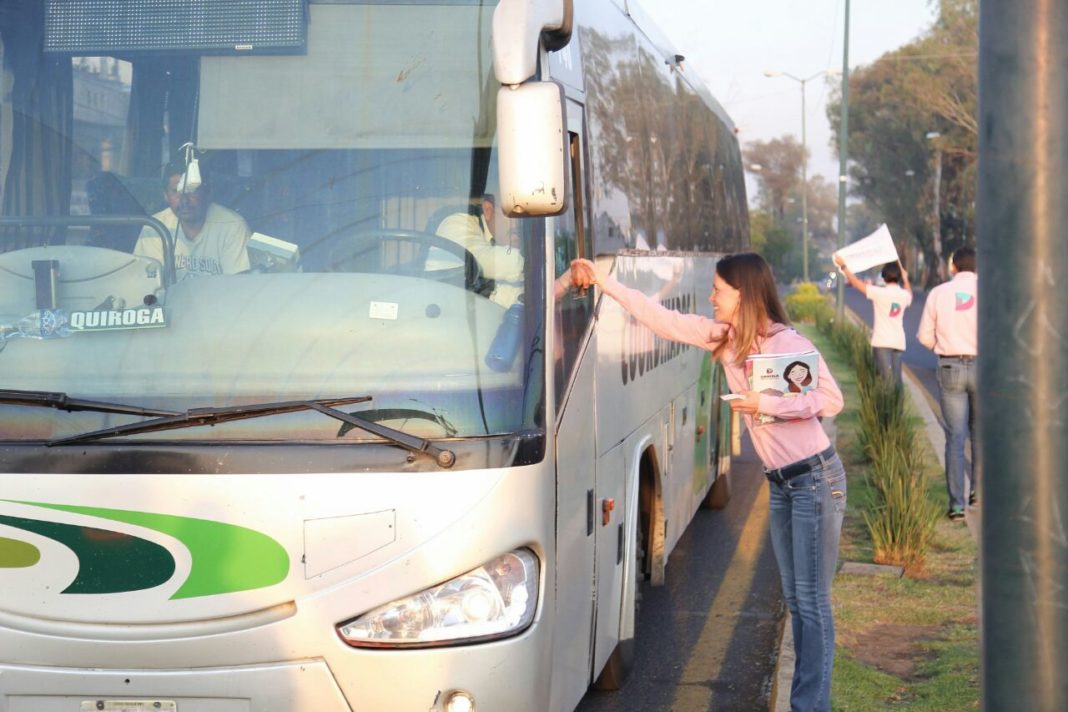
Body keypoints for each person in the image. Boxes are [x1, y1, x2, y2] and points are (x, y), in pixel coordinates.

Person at [569, 252, 845, 712]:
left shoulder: (783, 343)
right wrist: (604, 281)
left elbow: (831, 400)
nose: (711, 297)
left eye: (719, 290)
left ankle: (811, 707)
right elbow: (660, 319)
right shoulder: (724, 338)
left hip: (815, 480)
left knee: (812, 604)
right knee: (797, 601)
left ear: (743, 294)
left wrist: (765, 403)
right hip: (782, 484)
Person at [917, 246, 978, 521]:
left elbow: (924, 337)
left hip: (950, 364)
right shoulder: (989, 290)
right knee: (980, 435)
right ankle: (978, 491)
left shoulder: (939, 293)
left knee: (955, 437)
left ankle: (956, 505)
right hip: (983, 366)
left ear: (953, 266)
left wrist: (943, 348)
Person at [133, 161, 251, 281]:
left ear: (208, 193)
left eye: (192, 191)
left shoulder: (232, 226)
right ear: (165, 195)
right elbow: (147, 285)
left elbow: (237, 288)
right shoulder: (156, 227)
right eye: (176, 192)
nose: (184, 200)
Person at [434, 193, 524, 307]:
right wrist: (535, 264)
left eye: (528, 215)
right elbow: (477, 258)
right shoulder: (457, 222)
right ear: (488, 210)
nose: (521, 223)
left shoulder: (505, 244)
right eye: (516, 212)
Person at [834, 256, 913, 385]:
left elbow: (855, 283)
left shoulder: (879, 293)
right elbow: (909, 293)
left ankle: (886, 405)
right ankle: (897, 404)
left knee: (885, 379)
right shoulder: (904, 295)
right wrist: (905, 278)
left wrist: (843, 267)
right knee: (897, 380)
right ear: (898, 277)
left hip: (881, 341)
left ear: (884, 277)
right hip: (898, 342)